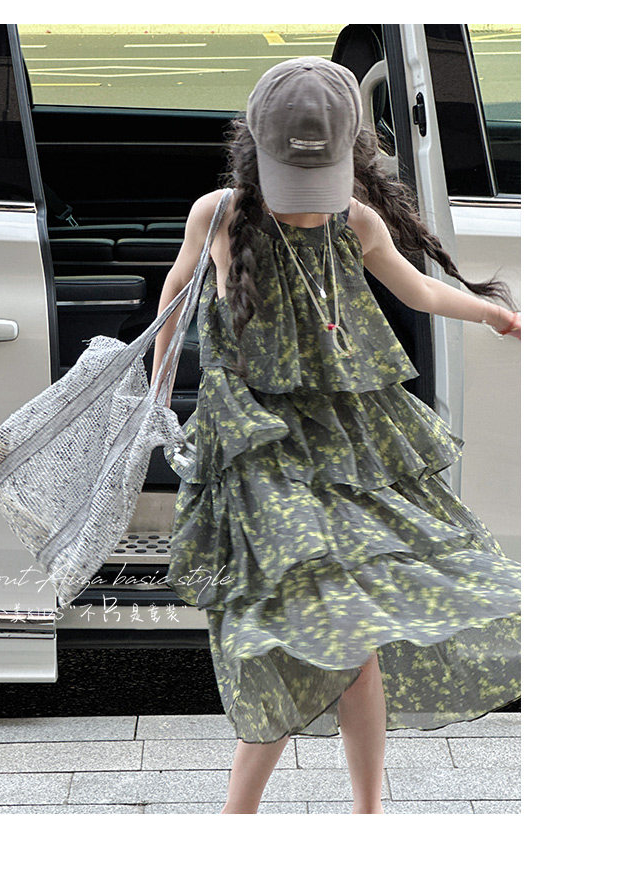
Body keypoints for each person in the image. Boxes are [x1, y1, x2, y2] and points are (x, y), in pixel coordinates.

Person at [150, 57, 521, 815]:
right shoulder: (217, 214)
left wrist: (492, 312)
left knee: (356, 639)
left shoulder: (356, 219)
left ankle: (366, 813)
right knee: (291, 631)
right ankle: (240, 814)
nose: (308, 207)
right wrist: (153, 392)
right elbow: (174, 295)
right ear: (257, 152)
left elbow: (417, 289)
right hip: (259, 450)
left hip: (349, 443)